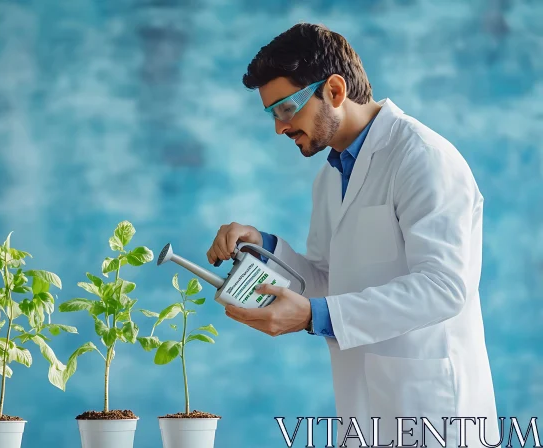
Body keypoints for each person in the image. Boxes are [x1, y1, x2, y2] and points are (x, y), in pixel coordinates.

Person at [207, 23, 499, 447]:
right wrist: (263, 247)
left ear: (335, 91)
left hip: (435, 411)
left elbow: (445, 287)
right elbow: (329, 280)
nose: (279, 128)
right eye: (272, 113)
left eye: (285, 109)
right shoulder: (330, 178)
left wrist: (314, 317)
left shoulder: (423, 158)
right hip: (366, 409)